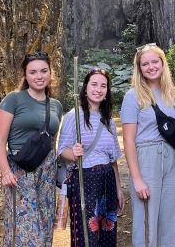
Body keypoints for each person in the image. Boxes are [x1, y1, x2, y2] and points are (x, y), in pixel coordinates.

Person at [0, 51, 63, 247]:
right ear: (25, 74)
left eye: (43, 71)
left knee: (45, 223)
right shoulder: (13, 100)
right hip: (19, 172)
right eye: (33, 72)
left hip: (46, 174)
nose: (39, 76)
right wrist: (5, 172)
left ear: (51, 73)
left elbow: (52, 143)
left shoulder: (56, 105)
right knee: (23, 228)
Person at [120, 43, 175, 247]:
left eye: (154, 62)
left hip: (174, 157)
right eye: (144, 64)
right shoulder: (133, 96)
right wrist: (137, 178)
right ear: (139, 69)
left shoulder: (173, 93)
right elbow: (129, 140)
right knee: (146, 219)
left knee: (171, 217)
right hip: (147, 158)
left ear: (163, 63)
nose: (150, 67)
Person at [57, 68, 124, 246]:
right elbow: (62, 150)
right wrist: (73, 153)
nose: (98, 89)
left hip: (107, 179)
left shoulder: (107, 119)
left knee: (107, 232)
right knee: (86, 234)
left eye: (103, 86)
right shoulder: (74, 116)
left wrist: (118, 188)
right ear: (85, 88)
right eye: (94, 84)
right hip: (84, 179)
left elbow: (113, 159)